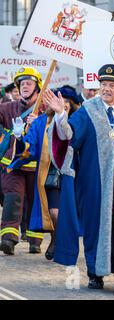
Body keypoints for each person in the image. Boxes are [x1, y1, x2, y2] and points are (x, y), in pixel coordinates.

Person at [50, 64, 114, 291]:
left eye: (111, 85)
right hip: (93, 179)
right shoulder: (88, 110)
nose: (106, 89)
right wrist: (60, 116)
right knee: (96, 225)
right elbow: (69, 137)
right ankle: (95, 273)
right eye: (103, 84)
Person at [9, 86, 80, 260]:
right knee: (55, 212)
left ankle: (63, 243)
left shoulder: (78, 122)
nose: (59, 106)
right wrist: (18, 137)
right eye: (55, 102)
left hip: (75, 175)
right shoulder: (41, 123)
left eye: (64, 103)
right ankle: (56, 239)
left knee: (70, 213)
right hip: (51, 175)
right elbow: (28, 149)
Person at [0, 67, 44, 255]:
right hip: (13, 164)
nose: (25, 86)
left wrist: (41, 122)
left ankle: (35, 240)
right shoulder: (8, 108)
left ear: (37, 87)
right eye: (22, 83)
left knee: (35, 203)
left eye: (29, 83)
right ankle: (8, 239)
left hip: (38, 166)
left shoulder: (46, 108)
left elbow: (59, 130)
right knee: (13, 198)